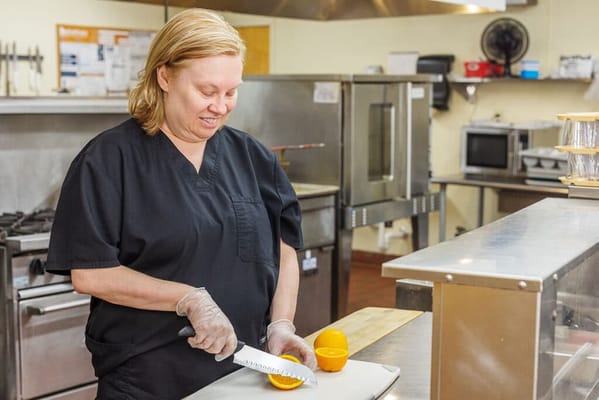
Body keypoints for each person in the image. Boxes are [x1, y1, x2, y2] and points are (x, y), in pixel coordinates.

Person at [46, 8, 316, 400]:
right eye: (207, 92)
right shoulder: (109, 160)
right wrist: (187, 298)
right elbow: (91, 275)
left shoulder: (253, 157)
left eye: (231, 92)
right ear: (165, 77)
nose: (221, 106)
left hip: (243, 370)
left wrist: (281, 325)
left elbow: (284, 248)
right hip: (147, 379)